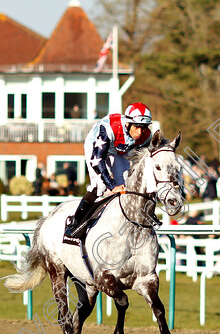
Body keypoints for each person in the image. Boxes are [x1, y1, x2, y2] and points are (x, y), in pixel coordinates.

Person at [63, 103, 153, 244]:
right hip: (96, 146)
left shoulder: (146, 136)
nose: (140, 133)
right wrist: (111, 185)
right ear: (128, 123)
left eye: (144, 127)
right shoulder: (110, 128)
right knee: (99, 186)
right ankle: (75, 223)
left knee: (124, 185)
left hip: (119, 150)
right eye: (136, 127)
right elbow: (97, 160)